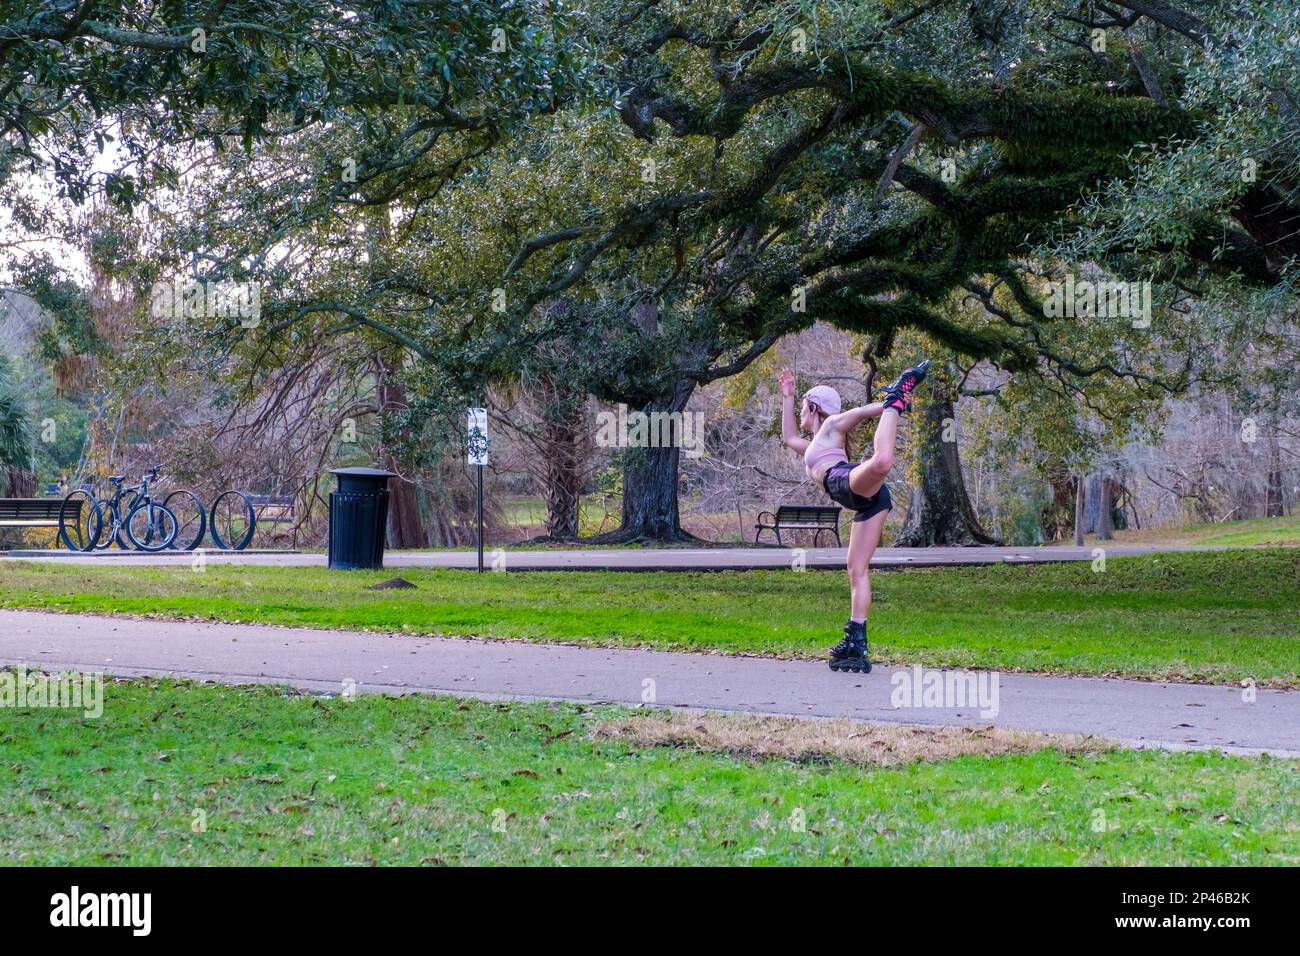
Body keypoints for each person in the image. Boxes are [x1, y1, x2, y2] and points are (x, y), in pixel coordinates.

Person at [778, 360, 930, 672]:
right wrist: (787, 397)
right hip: (864, 502)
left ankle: (896, 401)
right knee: (856, 570)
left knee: (881, 462)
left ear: (815, 407)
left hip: (844, 481)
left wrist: (889, 404)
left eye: (803, 407)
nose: (800, 415)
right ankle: (856, 642)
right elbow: (789, 437)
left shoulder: (832, 425)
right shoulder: (815, 444)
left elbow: (859, 413)